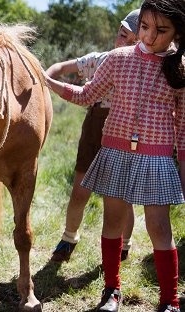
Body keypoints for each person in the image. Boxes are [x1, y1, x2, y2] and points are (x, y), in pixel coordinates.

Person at [44, 0, 185, 310]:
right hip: (115, 151)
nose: (149, 37)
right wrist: (50, 82)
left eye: (161, 31)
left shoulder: (180, 68)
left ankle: (170, 301)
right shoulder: (118, 59)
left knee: (160, 228)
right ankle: (111, 290)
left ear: (177, 32)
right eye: (145, 27)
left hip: (157, 159)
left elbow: (182, 126)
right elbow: (86, 95)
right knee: (113, 223)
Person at [48, 9, 140, 263]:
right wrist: (46, 77)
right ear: (117, 33)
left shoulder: (142, 69)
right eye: (122, 35)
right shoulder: (99, 60)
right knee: (80, 188)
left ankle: (124, 245)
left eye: (133, 41)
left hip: (125, 128)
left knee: (124, 195)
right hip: (94, 125)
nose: (124, 43)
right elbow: (61, 67)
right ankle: (68, 239)